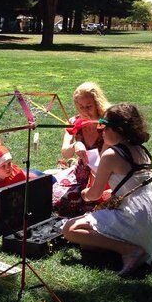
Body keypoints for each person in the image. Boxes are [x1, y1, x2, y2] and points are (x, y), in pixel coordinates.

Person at [62, 103, 152, 277]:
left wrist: (85, 194)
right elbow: (135, 184)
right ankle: (151, 245)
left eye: (103, 126)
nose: (101, 131)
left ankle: (130, 250)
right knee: (88, 244)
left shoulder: (111, 155)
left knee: (69, 230)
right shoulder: (142, 150)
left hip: (135, 219)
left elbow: (94, 195)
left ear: (116, 129)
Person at [53, 82, 110, 216]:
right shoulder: (74, 122)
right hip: (81, 173)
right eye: (80, 107)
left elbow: (105, 158)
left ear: (97, 104)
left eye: (89, 106)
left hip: (104, 173)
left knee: (96, 209)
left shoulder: (106, 122)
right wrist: (75, 145)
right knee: (59, 203)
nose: (85, 111)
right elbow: (65, 152)